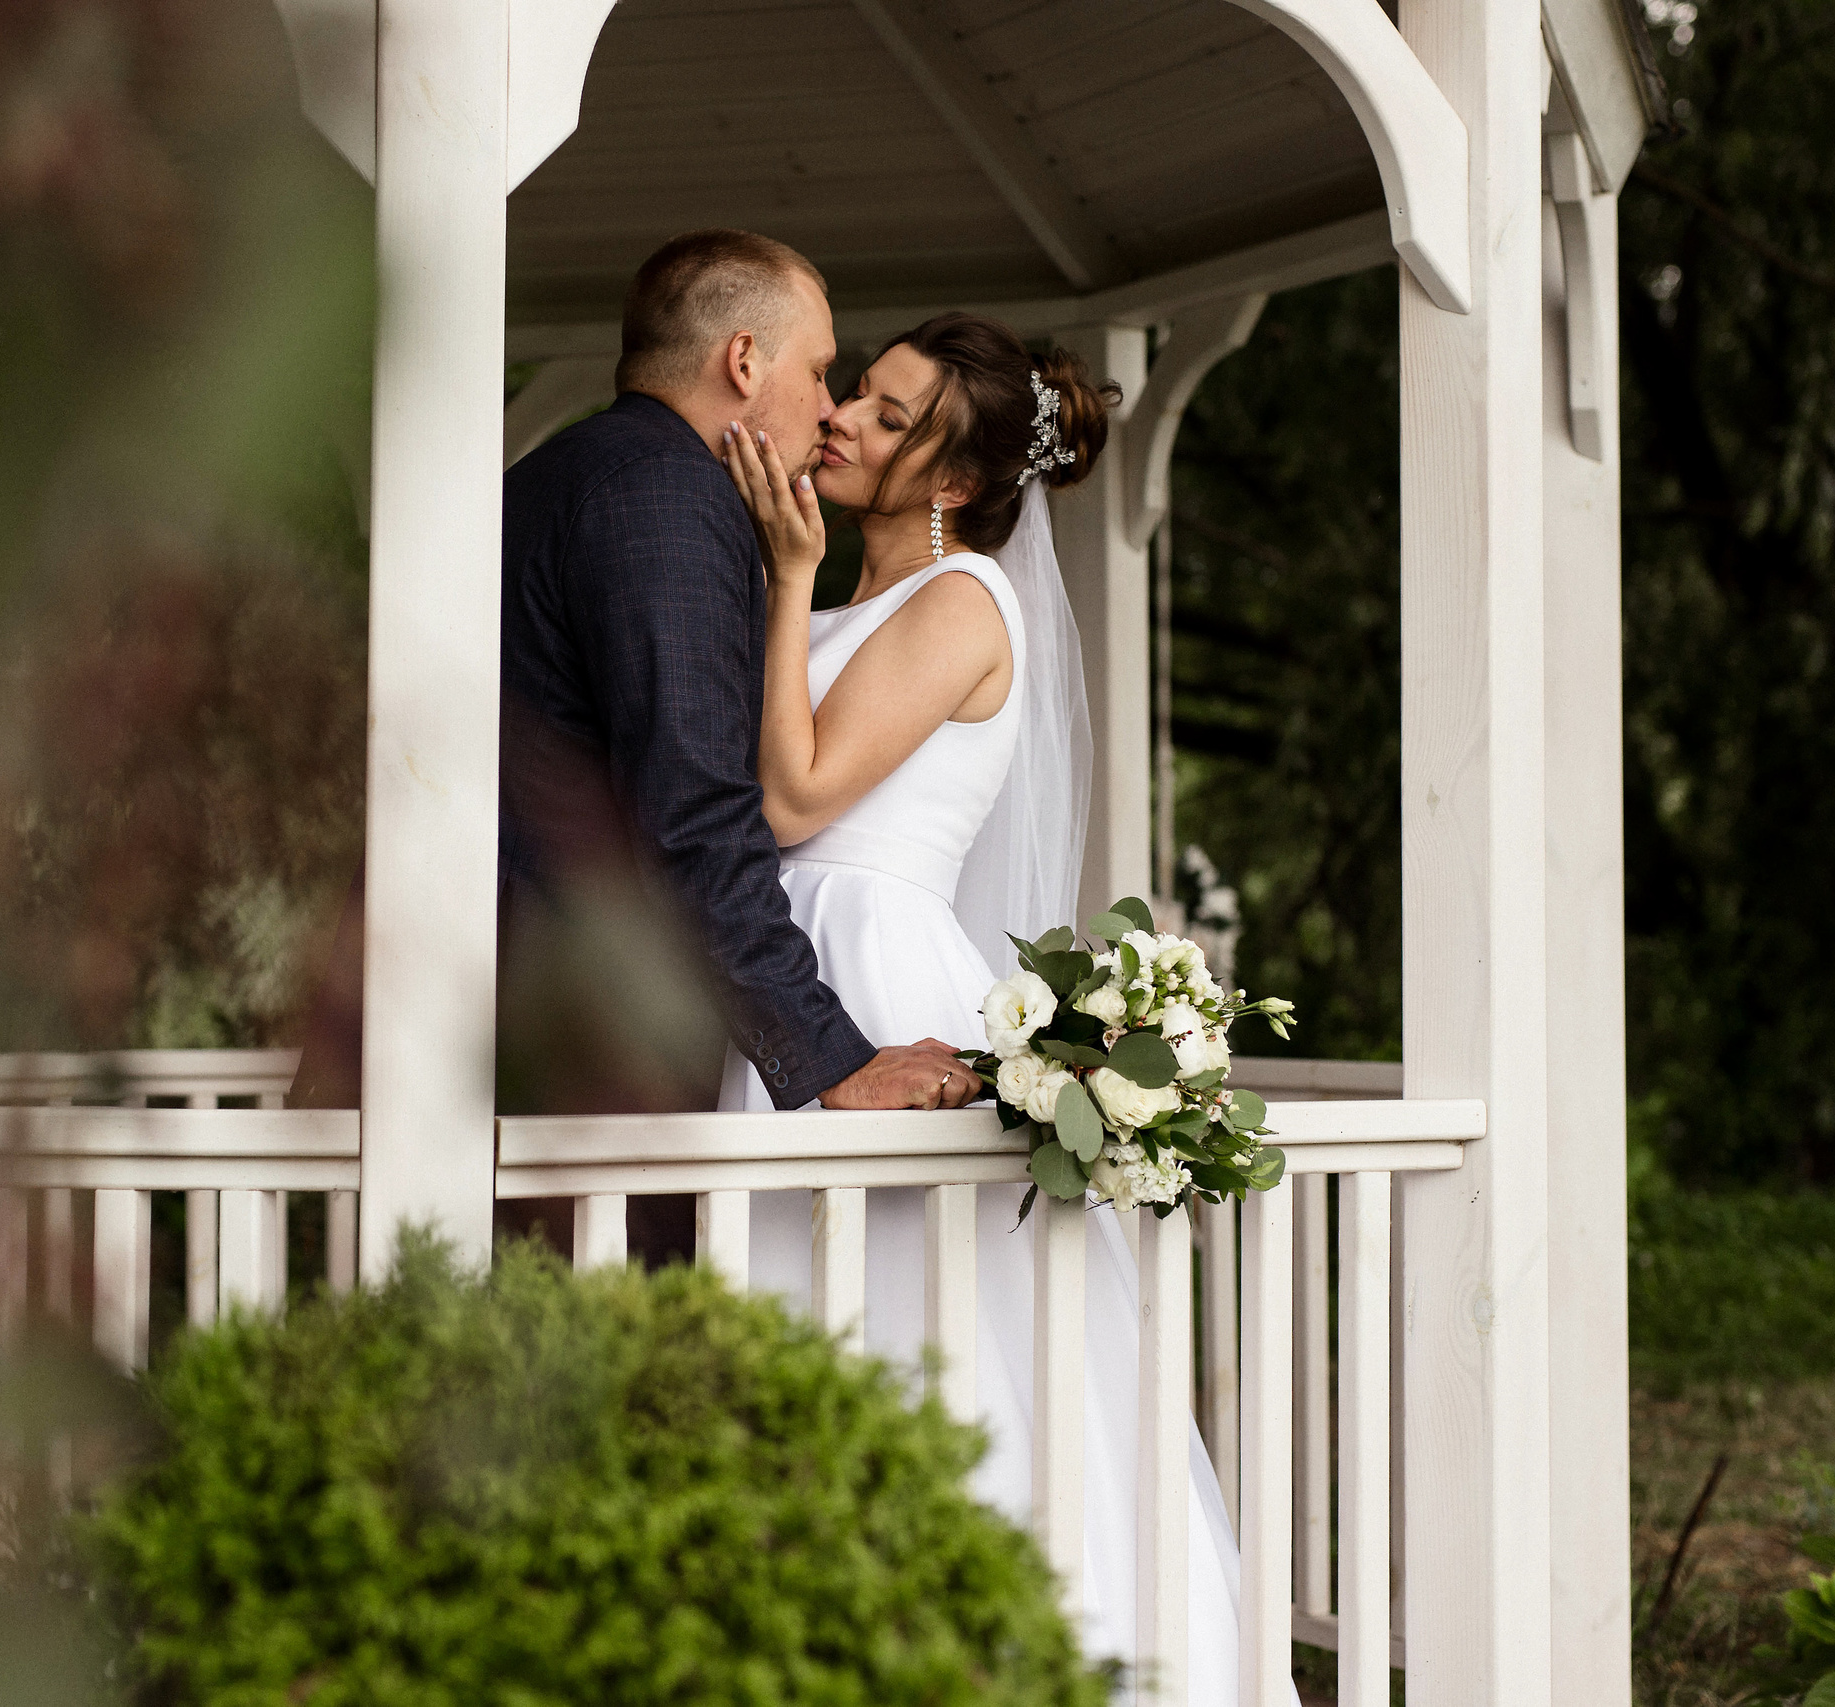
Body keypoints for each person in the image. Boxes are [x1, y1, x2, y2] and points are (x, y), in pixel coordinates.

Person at [720, 311, 1281, 1706]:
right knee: (806, 1339)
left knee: (927, 1339)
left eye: (888, 412)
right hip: (787, 965)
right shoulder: (859, 597)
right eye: (856, 390)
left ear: (954, 479)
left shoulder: (964, 603)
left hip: (871, 968)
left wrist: (787, 572)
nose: (842, 416)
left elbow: (796, 795)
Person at [496, 230, 981, 1258]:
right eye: (817, 372)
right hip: (577, 1043)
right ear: (745, 360)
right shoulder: (665, 502)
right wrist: (831, 1058)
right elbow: (693, 812)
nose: (826, 409)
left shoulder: (558, 472)